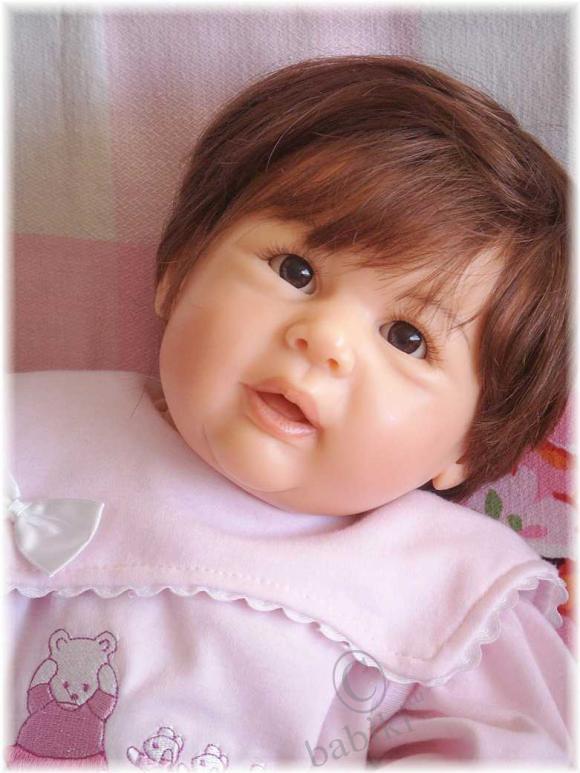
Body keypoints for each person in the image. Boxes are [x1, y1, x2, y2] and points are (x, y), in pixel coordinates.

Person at [6, 56, 572, 767]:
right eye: (295, 271)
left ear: (469, 444)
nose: (325, 339)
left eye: (406, 337)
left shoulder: (454, 600)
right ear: (180, 270)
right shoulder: (30, 431)